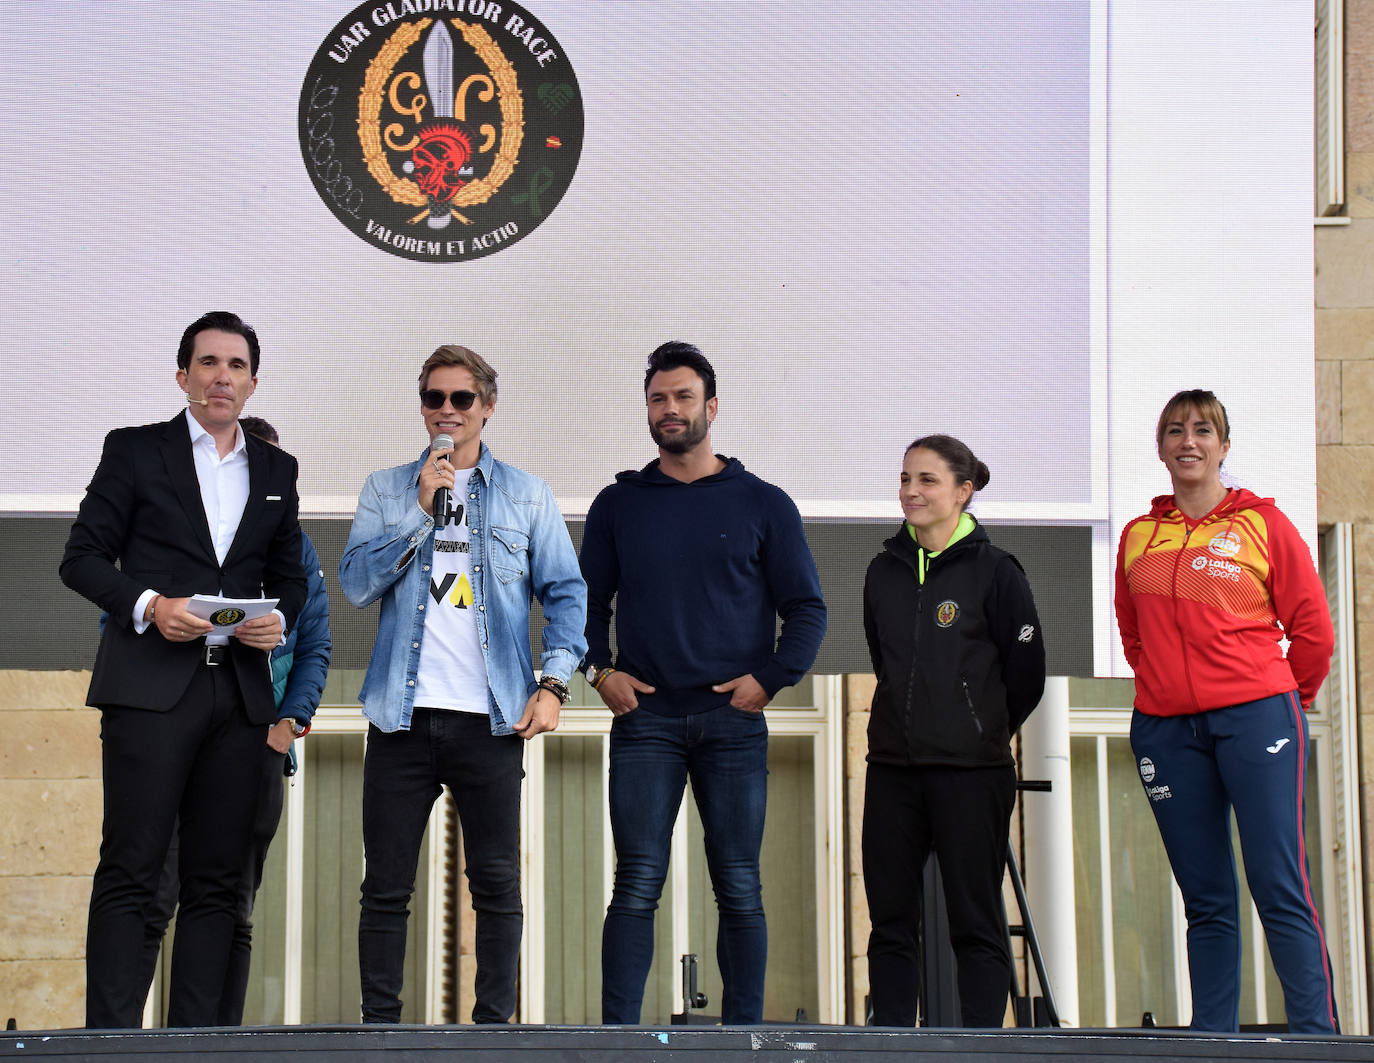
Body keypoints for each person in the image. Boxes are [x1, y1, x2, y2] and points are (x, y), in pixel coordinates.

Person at [60, 311, 307, 1028]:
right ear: (183, 376)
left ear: (252, 382)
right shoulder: (136, 452)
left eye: (235, 365)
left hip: (238, 695)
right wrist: (148, 604)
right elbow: (79, 557)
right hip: (149, 689)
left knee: (218, 883)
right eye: (207, 363)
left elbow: (290, 577)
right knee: (133, 870)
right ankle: (108, 1042)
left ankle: (195, 1044)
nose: (221, 376)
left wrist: (278, 619)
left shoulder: (276, 470)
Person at [580, 341, 827, 1025]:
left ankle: (742, 1036)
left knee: (740, 887)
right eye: (658, 398)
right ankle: (619, 1040)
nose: (670, 408)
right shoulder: (617, 504)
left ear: (711, 407)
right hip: (645, 723)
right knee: (634, 885)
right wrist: (601, 671)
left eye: (683, 396)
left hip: (733, 724)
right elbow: (584, 606)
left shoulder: (764, 502)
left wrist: (772, 679)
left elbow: (806, 607)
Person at [339, 344, 586, 1024]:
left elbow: (567, 593)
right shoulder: (387, 488)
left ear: (488, 406)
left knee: (497, 884)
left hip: (490, 717)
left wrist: (555, 684)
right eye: (434, 399)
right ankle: (379, 1029)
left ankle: (493, 1030)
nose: (447, 412)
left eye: (461, 399)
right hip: (402, 715)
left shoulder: (526, 494)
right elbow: (357, 584)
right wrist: (421, 507)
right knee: (385, 886)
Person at [1115, 389, 1338, 1033]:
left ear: (1224, 445)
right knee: (1206, 899)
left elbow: (1313, 629)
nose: (1190, 441)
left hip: (1257, 719)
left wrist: (1280, 701)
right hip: (1167, 730)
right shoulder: (1138, 536)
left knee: (1277, 882)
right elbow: (1135, 636)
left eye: (1203, 430)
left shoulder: (1262, 524)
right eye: (1176, 431)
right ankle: (1214, 1040)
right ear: (1159, 448)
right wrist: (1165, 689)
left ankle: (1317, 1039)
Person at [134, 416, 332, 1025]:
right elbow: (125, 624)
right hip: (172, 736)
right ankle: (126, 1038)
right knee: (152, 893)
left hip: (257, 744)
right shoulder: (177, 539)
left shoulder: (296, 552)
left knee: (232, 903)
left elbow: (316, 646)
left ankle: (215, 1036)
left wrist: (286, 725)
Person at [861, 434, 1045, 1028]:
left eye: (928, 480)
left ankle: (983, 1043)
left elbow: (1026, 676)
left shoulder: (997, 572)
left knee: (976, 919)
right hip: (893, 771)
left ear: (964, 491)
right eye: (906, 479)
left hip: (972, 773)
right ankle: (889, 1038)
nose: (911, 491)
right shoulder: (882, 570)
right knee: (890, 922)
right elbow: (885, 662)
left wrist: (979, 728)